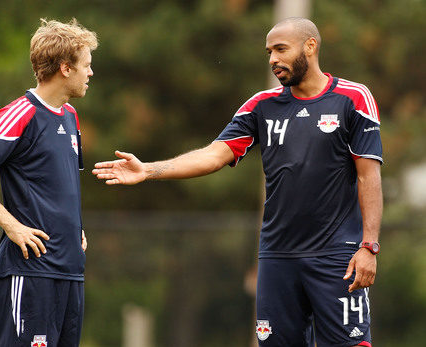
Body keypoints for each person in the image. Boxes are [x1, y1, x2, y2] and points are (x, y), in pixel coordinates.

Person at [93, 17, 382, 347]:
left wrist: (369, 246)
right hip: (277, 257)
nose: (273, 58)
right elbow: (214, 155)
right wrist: (150, 170)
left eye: (281, 49)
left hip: (336, 257)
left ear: (310, 47)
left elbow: (368, 175)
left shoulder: (353, 98)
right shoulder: (262, 105)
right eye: (269, 51)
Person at [0, 18, 97, 347]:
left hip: (70, 272)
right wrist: (11, 224)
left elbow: (58, 185)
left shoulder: (71, 118)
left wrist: (75, 227)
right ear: (65, 68)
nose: (90, 73)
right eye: (86, 65)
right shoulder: (21, 112)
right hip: (30, 272)